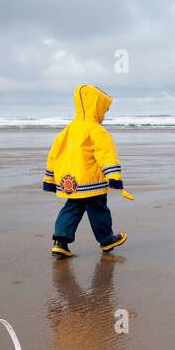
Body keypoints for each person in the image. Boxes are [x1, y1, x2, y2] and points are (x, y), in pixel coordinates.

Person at [42, 84, 128, 256]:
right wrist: (114, 176)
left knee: (71, 208)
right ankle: (106, 239)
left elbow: (54, 156)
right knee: (98, 209)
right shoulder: (96, 130)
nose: (103, 115)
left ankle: (60, 242)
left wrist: (50, 179)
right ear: (96, 107)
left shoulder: (66, 131)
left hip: (70, 183)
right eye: (104, 110)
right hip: (91, 182)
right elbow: (106, 154)